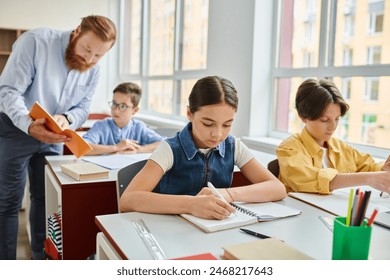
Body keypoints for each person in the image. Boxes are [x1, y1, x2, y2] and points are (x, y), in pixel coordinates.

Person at [0, 15, 117, 260]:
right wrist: (29, 126)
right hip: (15, 129)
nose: (89, 59)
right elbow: (9, 91)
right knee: (8, 201)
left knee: (45, 200)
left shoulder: (93, 68)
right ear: (76, 32)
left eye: (98, 55)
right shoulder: (35, 42)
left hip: (54, 135)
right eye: (86, 49)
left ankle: (41, 260)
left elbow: (83, 107)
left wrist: (68, 117)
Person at [120, 76, 286, 219]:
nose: (218, 134)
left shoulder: (233, 146)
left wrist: (227, 194)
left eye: (227, 124)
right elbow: (128, 200)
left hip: (214, 232)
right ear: (190, 114)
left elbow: (277, 188)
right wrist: (191, 204)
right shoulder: (170, 149)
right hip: (171, 232)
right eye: (208, 124)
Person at [276, 78, 390, 194]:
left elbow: (370, 166)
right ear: (303, 117)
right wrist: (369, 178)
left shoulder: (340, 147)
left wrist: (384, 169)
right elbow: (312, 178)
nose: (333, 126)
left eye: (337, 119)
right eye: (324, 120)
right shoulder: (289, 149)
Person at [82, 82, 164, 155]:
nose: (116, 111)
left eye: (123, 106)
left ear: (134, 110)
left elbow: (164, 144)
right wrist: (116, 147)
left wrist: (138, 149)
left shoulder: (139, 128)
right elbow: (83, 147)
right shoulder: (101, 126)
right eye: (114, 103)